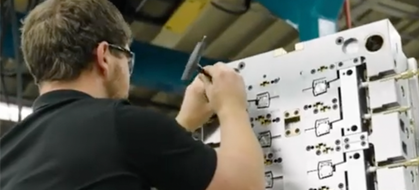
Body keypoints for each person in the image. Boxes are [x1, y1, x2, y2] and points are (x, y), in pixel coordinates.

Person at [0, 0, 265, 189]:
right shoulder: (121, 124)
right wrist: (231, 105)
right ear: (104, 56)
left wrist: (183, 124)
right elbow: (243, 185)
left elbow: (123, 169)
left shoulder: (7, 151)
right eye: (126, 56)